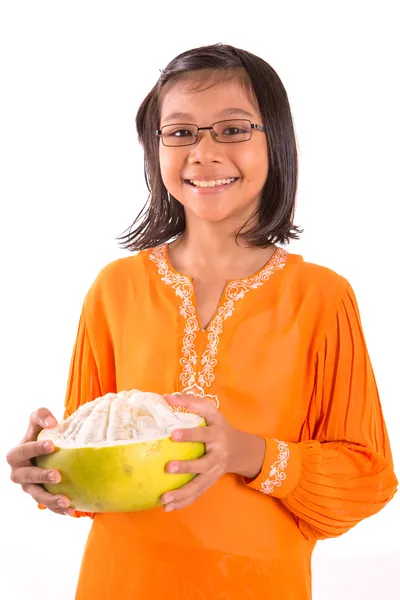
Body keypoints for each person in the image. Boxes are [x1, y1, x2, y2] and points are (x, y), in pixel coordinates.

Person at [6, 43, 398, 599]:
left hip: (262, 584)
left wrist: (245, 453)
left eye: (233, 130)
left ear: (277, 141)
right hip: (120, 582)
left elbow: (366, 477)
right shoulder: (114, 289)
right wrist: (50, 474)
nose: (204, 153)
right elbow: (96, 463)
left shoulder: (321, 296)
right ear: (155, 147)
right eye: (181, 132)